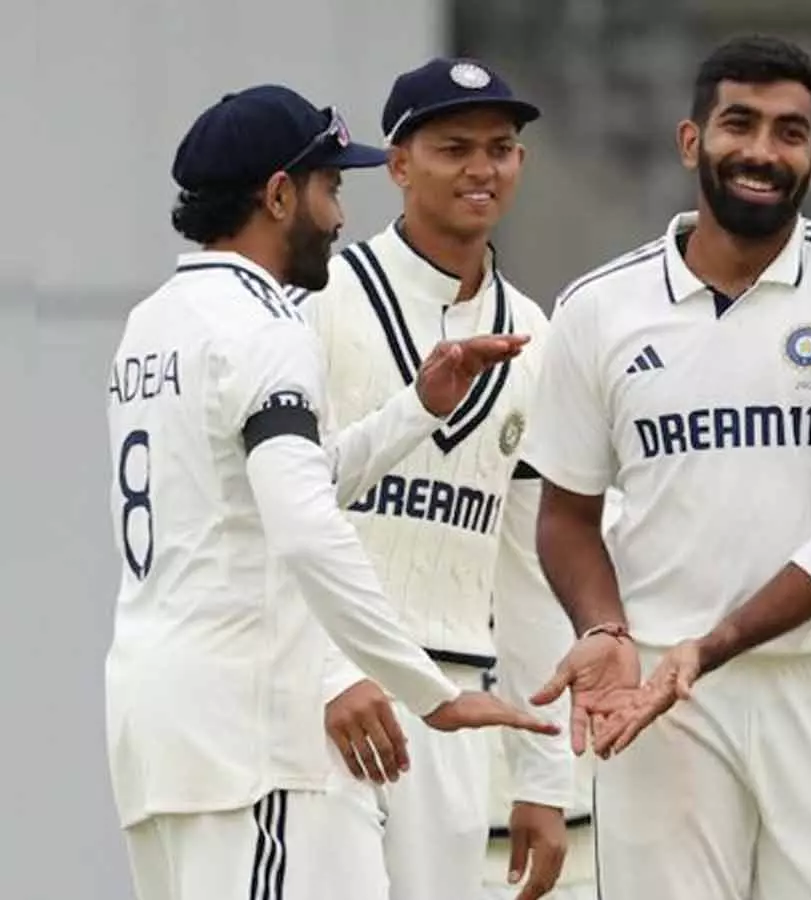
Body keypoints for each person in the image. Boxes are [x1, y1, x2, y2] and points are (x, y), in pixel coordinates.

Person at [521, 35, 811, 900]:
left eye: (789, 133)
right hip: (660, 699)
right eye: (739, 124)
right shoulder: (598, 308)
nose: (762, 151)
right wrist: (605, 631)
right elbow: (566, 518)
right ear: (691, 141)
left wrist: (711, 647)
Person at [105, 84, 558, 900]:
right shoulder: (267, 327)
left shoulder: (154, 324)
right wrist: (429, 693)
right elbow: (306, 527)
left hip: (157, 724)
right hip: (252, 737)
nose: (342, 216)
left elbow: (272, 488)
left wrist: (415, 411)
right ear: (280, 195)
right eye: (331, 187)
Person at [297, 58, 582, 900]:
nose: (480, 169)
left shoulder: (535, 335)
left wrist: (543, 776)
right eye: (454, 148)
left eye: (500, 148)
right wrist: (327, 674)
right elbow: (271, 520)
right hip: (326, 696)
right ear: (398, 164)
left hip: (455, 701)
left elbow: (529, 567)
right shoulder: (323, 299)